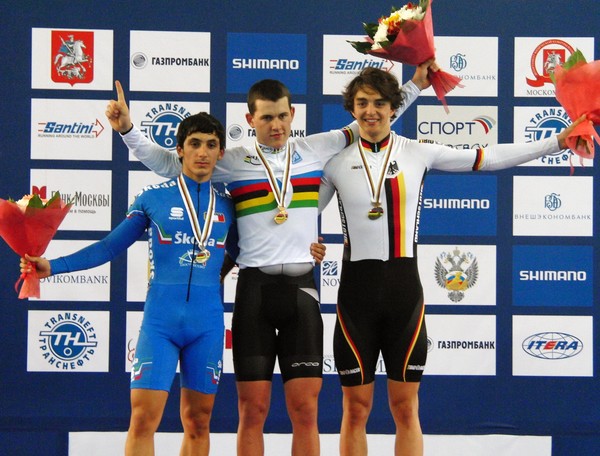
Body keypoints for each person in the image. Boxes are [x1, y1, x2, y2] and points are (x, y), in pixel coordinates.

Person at [104, 64, 430, 456]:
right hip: (255, 292)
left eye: (282, 115)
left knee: (305, 411)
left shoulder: (317, 147)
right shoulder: (231, 159)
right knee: (252, 410)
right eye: (266, 117)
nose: (276, 125)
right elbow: (170, 164)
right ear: (250, 119)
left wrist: (414, 86)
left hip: (301, 293)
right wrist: (127, 131)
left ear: (292, 114)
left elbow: (373, 118)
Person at [318, 67, 588, 456]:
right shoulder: (335, 162)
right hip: (354, 299)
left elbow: (488, 157)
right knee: (355, 409)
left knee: (405, 408)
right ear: (352, 108)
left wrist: (556, 142)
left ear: (395, 107)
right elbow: (301, 216)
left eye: (379, 103)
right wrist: (303, 240)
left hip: (403, 296)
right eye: (362, 103)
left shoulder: (417, 151)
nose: (371, 111)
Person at [20, 113, 235, 456]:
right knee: (143, 419)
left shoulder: (229, 204)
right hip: (160, 324)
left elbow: (254, 248)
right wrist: (53, 266)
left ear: (221, 152)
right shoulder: (154, 198)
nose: (203, 153)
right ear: (179, 150)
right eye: (195, 144)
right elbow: (109, 247)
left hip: (207, 324)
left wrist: (306, 250)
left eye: (211, 145)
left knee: (198, 421)